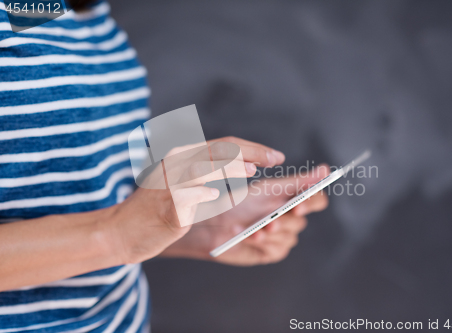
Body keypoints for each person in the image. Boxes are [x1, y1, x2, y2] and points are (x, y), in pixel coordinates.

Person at [0, 0, 328, 331]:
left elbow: (89, 203)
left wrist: (195, 227)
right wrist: (117, 233)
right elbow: (114, 230)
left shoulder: (73, 12)